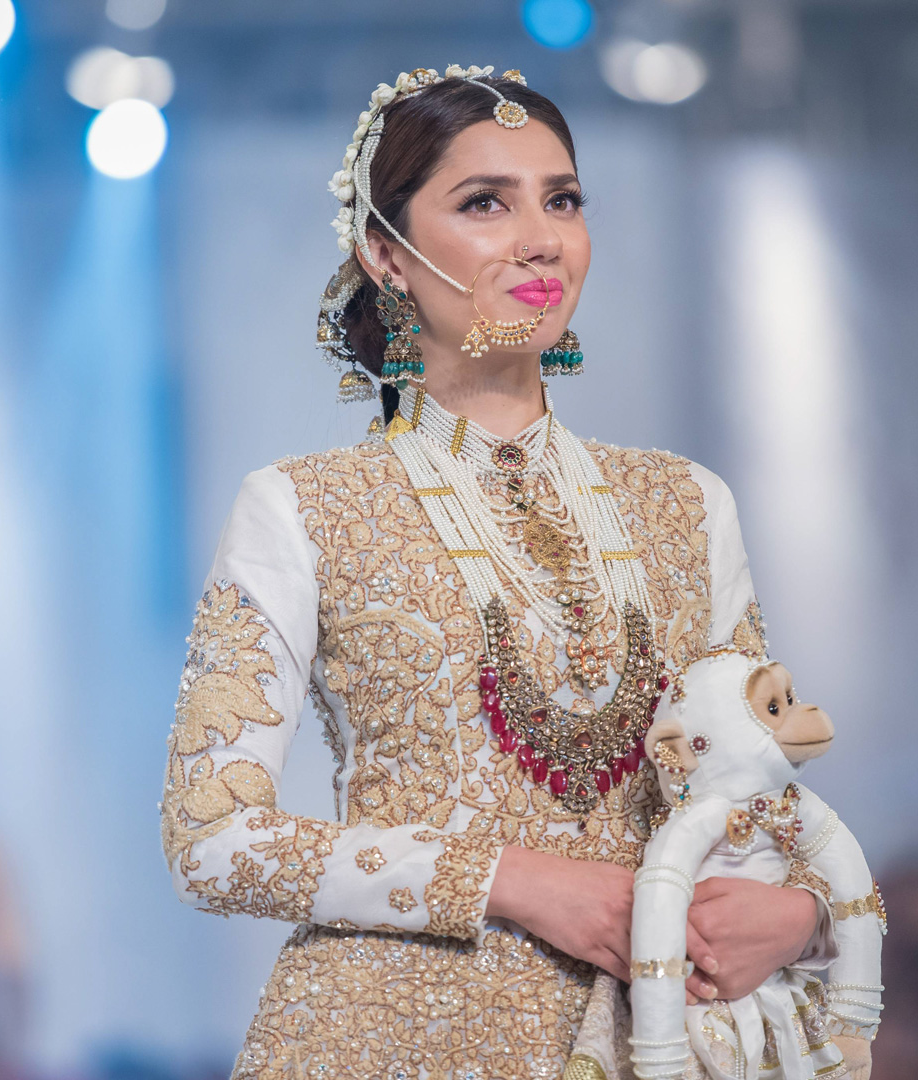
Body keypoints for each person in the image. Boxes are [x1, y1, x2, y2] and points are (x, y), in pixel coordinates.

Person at [158, 65, 880, 1079]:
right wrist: (516, 881)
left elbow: (753, 794)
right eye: (485, 203)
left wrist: (801, 915)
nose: (541, 238)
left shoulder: (685, 502)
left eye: (563, 200)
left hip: (656, 1036)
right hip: (388, 1041)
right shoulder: (303, 506)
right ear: (385, 253)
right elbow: (211, 836)